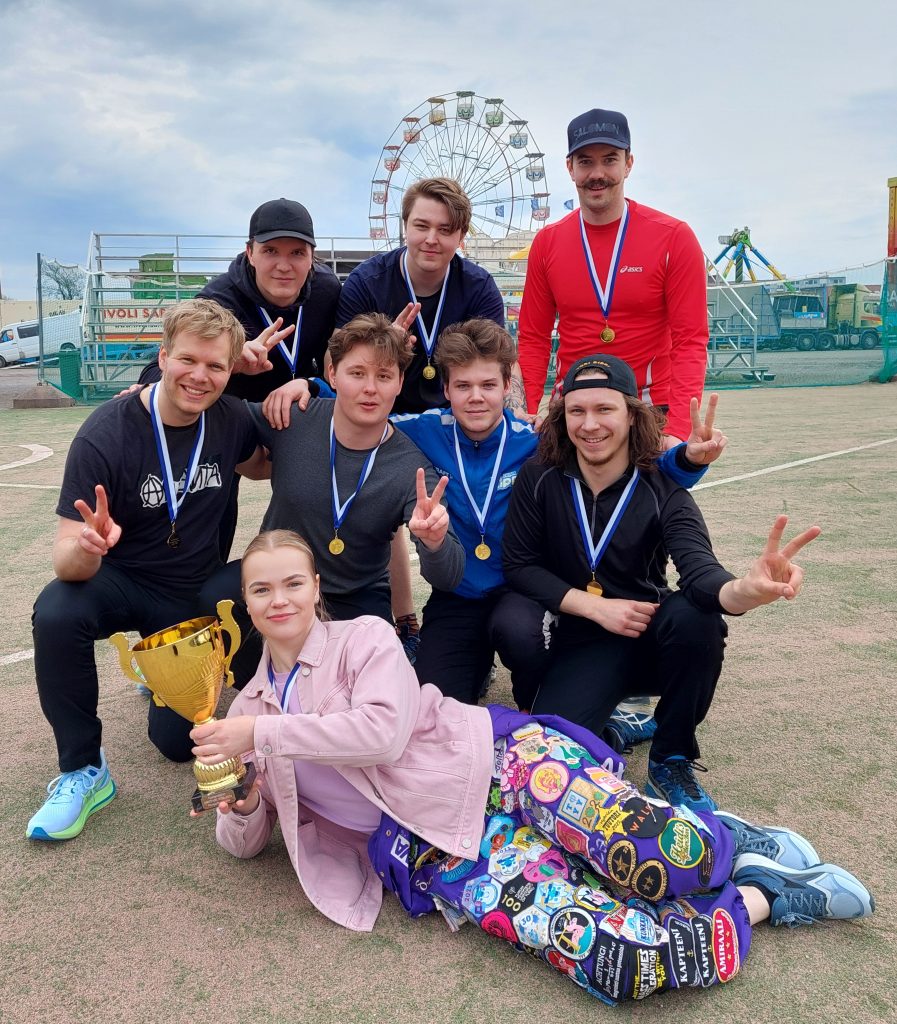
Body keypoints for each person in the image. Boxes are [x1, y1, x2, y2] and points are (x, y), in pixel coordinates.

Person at [189, 529, 873, 1007]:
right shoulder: (245, 709)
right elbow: (244, 844)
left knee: (670, 858)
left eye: (292, 584)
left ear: (315, 589)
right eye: (261, 590)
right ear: (244, 605)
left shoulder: (361, 639)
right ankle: (770, 895)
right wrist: (245, 804)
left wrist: (261, 731)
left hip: (493, 763)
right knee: (621, 962)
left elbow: (382, 731)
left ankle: (724, 837)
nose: (278, 600)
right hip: (434, 849)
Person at [502, 354, 820, 813]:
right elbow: (520, 565)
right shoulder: (541, 476)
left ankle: (671, 756)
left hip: (649, 634)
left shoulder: (662, 487)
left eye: (604, 410)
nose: (590, 425)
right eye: (577, 411)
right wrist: (593, 607)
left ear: (632, 415)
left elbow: (700, 570)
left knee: (698, 618)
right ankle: (618, 720)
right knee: (550, 760)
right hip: (584, 641)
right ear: (563, 415)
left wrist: (742, 593)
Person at [380, 320, 724, 717]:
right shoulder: (421, 430)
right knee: (433, 711)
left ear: (507, 386)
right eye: (463, 386)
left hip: (521, 590)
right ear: (446, 389)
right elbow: (364, 415)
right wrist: (310, 388)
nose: (476, 398)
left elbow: (636, 463)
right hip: (457, 595)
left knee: (521, 635)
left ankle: (541, 693)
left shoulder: (537, 438)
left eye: (488, 385)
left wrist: (687, 461)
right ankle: (475, 668)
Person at [26, 299, 263, 842]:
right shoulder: (105, 432)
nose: (200, 377)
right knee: (57, 609)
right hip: (122, 580)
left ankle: (170, 676)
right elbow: (65, 559)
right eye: (188, 360)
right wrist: (90, 546)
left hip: (190, 598)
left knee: (177, 746)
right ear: (162, 357)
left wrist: (303, 393)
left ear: (231, 370)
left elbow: (266, 461)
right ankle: (83, 770)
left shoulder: (231, 421)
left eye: (216, 366)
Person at [199, 312, 465, 687]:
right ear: (332, 375)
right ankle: (263, 682)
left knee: (361, 688)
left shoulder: (413, 468)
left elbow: (449, 575)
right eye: (357, 373)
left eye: (384, 376)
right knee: (213, 597)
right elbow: (212, 409)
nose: (370, 388)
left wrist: (435, 543)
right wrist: (234, 368)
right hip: (277, 581)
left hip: (353, 598)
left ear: (400, 382)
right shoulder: (293, 417)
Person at [335, 177, 514, 658]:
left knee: (455, 509)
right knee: (373, 509)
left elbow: (489, 361)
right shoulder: (368, 282)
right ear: (404, 225)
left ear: (461, 236)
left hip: (451, 415)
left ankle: (488, 608)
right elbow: (341, 359)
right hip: (386, 408)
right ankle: (394, 620)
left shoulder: (477, 286)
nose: (432, 239)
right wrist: (385, 346)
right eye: (422, 226)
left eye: (446, 229)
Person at [138, 197, 341, 559]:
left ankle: (324, 593)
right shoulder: (219, 300)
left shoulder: (328, 291)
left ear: (313, 256)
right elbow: (163, 367)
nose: (284, 265)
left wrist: (310, 382)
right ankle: (205, 585)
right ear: (250, 252)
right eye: (270, 251)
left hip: (296, 409)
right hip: (231, 415)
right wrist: (231, 363)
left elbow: (346, 358)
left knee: (327, 499)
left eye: (297, 252)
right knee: (211, 509)